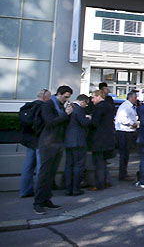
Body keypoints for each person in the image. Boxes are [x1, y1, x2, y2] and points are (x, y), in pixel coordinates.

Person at [34, 85, 73, 215]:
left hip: (57, 143)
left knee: (51, 174)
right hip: (48, 143)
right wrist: (65, 114)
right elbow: (50, 122)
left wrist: (67, 114)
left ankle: (46, 199)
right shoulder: (48, 105)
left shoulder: (60, 106)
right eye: (66, 97)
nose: (66, 99)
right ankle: (38, 203)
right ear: (59, 94)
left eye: (68, 97)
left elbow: (63, 123)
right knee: (44, 174)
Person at [19, 88, 50, 198]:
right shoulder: (43, 107)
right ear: (44, 98)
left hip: (29, 140)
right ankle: (39, 192)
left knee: (28, 166)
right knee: (41, 167)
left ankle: (24, 190)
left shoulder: (28, 106)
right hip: (39, 140)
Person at [64, 94, 91, 196]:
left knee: (68, 165)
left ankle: (68, 188)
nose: (85, 106)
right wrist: (88, 118)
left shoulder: (69, 107)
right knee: (78, 165)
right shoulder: (79, 109)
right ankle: (75, 188)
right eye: (86, 104)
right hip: (78, 141)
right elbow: (84, 123)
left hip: (68, 140)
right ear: (83, 101)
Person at [89, 89, 115, 190]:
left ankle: (99, 184)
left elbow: (95, 123)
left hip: (99, 139)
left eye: (93, 97)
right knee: (103, 162)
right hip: (107, 138)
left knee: (98, 163)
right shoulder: (109, 106)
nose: (92, 100)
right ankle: (106, 181)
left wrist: (89, 119)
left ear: (99, 96)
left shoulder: (99, 107)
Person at [115, 91, 139, 181]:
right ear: (131, 98)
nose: (136, 99)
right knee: (124, 154)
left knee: (126, 154)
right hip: (124, 132)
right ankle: (122, 174)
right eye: (135, 97)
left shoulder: (130, 106)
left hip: (127, 132)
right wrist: (132, 124)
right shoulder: (126, 106)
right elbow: (122, 119)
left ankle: (123, 173)